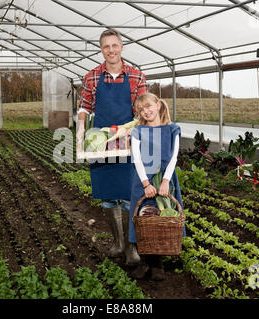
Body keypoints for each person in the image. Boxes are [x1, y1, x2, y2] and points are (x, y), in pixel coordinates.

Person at [76, 29, 147, 265]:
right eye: (106, 47)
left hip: (127, 141)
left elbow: (144, 109)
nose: (111, 50)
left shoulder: (136, 76)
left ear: (122, 47)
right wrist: (80, 132)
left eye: (115, 45)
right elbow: (84, 108)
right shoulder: (92, 77)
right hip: (102, 141)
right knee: (107, 196)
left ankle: (130, 248)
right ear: (101, 50)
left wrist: (134, 130)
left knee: (128, 195)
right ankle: (117, 243)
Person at [128, 92, 185, 281]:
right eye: (141, 110)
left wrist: (166, 181)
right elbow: (136, 158)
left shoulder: (173, 129)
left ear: (158, 105)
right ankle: (145, 262)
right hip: (142, 180)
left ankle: (158, 263)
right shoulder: (137, 131)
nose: (146, 111)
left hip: (165, 180)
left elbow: (174, 157)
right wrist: (146, 183)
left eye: (148, 106)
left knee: (161, 219)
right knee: (142, 218)